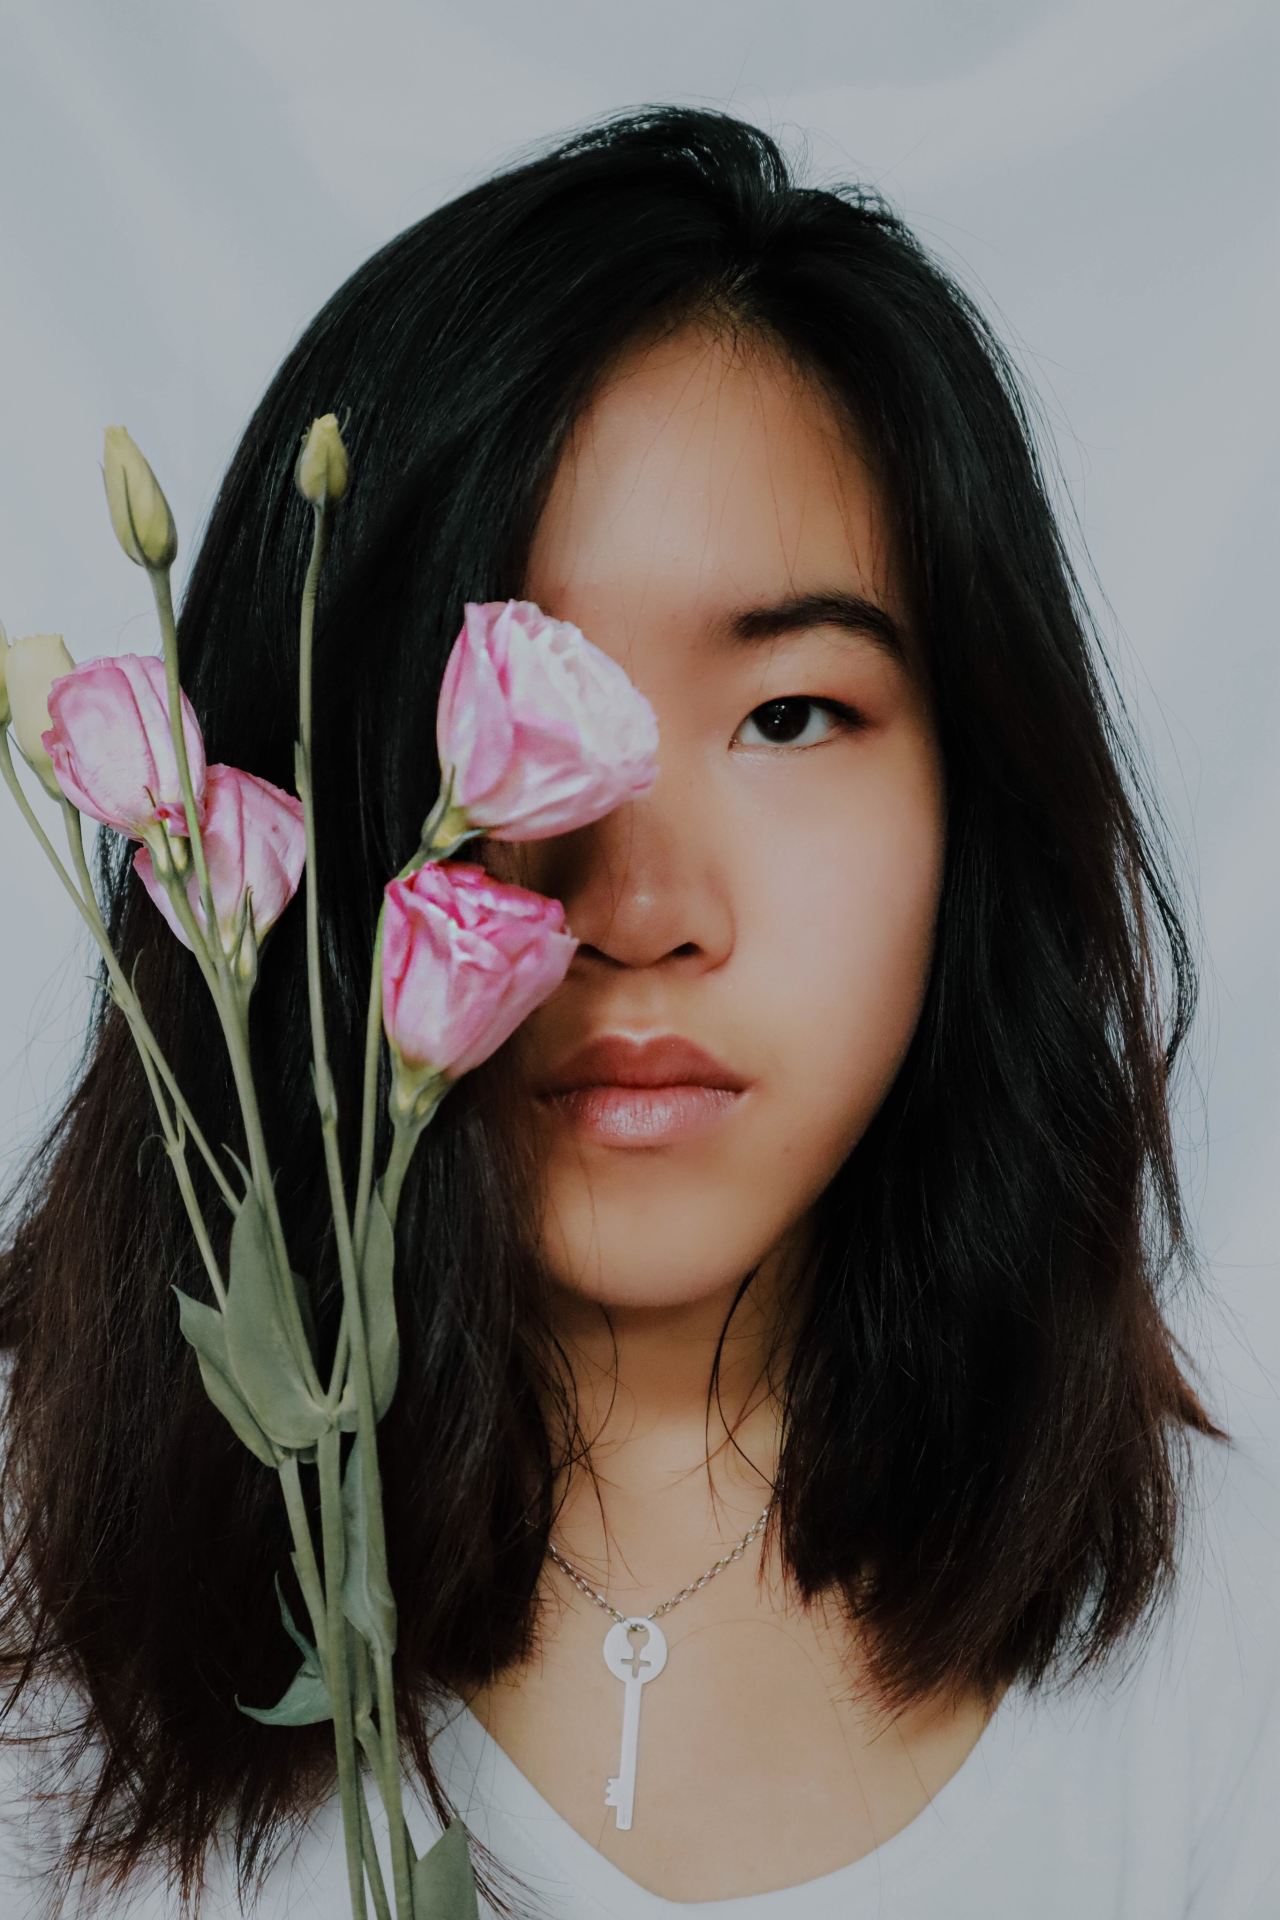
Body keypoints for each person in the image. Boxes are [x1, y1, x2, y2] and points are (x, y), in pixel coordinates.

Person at [1, 104, 1277, 1920]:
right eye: (515, 721)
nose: (643, 913)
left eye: (787, 718)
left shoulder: (1233, 1650)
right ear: (309, 792)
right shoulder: (36, 1596)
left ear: (973, 807)